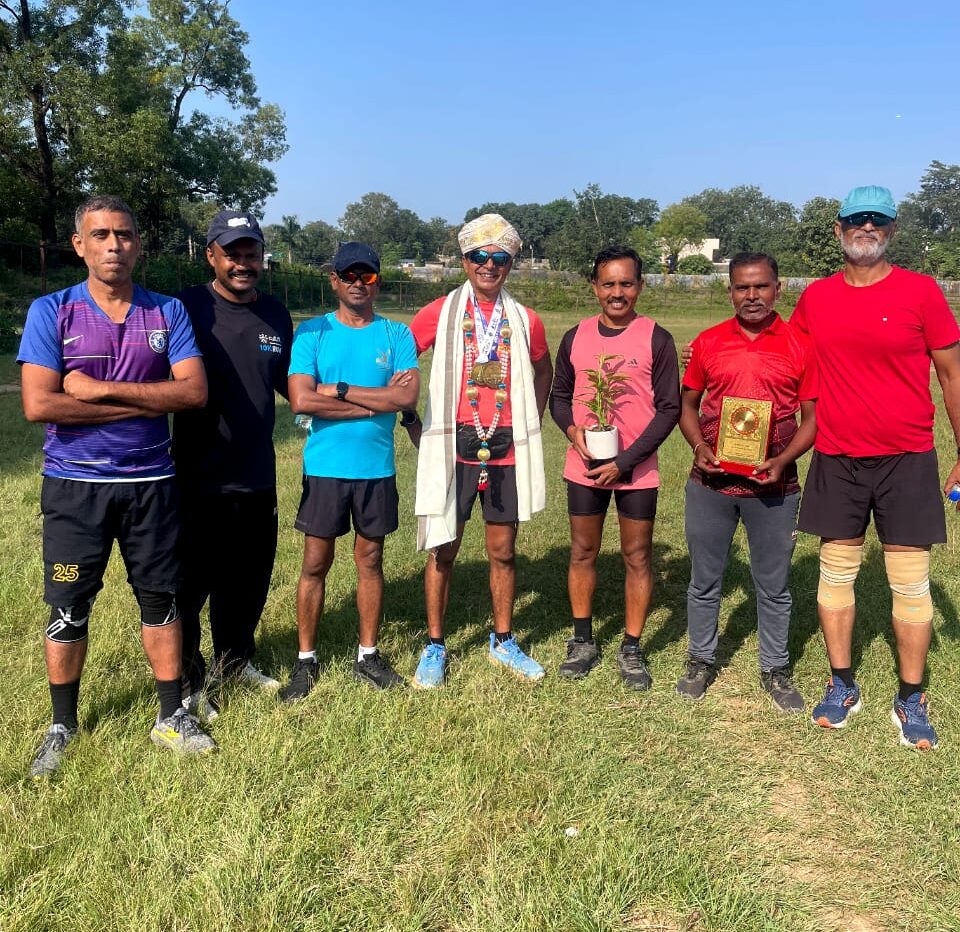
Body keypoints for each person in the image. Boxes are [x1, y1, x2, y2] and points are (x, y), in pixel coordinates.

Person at [18, 195, 215, 778]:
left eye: (124, 235)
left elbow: (193, 393)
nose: (113, 245)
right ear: (79, 244)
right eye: (100, 234)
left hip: (152, 484)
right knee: (68, 608)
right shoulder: (51, 311)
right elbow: (38, 404)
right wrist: (142, 406)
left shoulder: (167, 312)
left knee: (161, 600)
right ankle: (63, 725)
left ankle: (170, 715)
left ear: (139, 244)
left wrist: (100, 392)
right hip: (74, 488)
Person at [793, 185, 960, 749]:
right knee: (835, 575)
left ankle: (911, 695)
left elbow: (952, 375)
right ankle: (842, 684)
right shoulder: (815, 297)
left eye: (878, 221)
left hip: (907, 458)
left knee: (910, 585)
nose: (867, 228)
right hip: (837, 456)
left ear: (891, 231)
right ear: (838, 229)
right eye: (857, 220)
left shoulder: (922, 292)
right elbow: (781, 359)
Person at [410, 214, 553, 688]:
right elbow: (402, 363)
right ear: (463, 260)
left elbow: (543, 368)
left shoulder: (525, 319)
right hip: (455, 442)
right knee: (442, 548)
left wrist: (530, 419)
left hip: (506, 444)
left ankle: (503, 639)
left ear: (511, 263)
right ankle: (434, 644)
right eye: (478, 256)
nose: (488, 265)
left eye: (499, 258)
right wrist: (412, 418)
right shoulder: (440, 312)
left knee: (503, 550)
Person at [677, 252, 817, 710]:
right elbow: (688, 405)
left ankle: (774, 669)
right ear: (730, 291)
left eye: (760, 287)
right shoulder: (708, 342)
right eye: (742, 287)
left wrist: (782, 459)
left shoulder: (800, 344)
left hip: (773, 488)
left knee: (773, 585)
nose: (751, 296)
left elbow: (813, 419)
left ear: (779, 289)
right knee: (704, 579)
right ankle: (701, 658)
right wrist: (700, 448)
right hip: (710, 484)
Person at [280, 242, 419, 700]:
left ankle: (368, 655)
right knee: (315, 563)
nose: (359, 284)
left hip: (375, 469)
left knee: (371, 561)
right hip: (325, 468)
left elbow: (404, 400)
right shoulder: (313, 332)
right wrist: (374, 402)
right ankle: (305, 661)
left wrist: (337, 390)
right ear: (334, 280)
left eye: (369, 276)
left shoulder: (397, 335)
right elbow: (301, 399)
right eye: (350, 276)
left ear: (377, 281)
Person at [172, 210, 293, 718]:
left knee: (247, 578)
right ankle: (188, 679)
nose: (243, 263)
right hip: (196, 475)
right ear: (211, 256)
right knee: (189, 582)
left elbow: (295, 386)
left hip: (256, 472)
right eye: (232, 253)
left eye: (251, 253)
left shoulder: (276, 315)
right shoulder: (186, 308)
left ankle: (236, 658)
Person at [549, 246, 680, 688]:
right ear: (595, 287)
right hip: (584, 467)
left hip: (636, 470)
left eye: (626, 283)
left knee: (637, 555)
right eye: (609, 284)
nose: (617, 292)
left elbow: (668, 409)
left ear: (640, 286)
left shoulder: (656, 338)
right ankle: (582, 639)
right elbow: (559, 398)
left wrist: (625, 462)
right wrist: (573, 434)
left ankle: (632, 646)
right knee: (583, 551)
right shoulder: (575, 336)